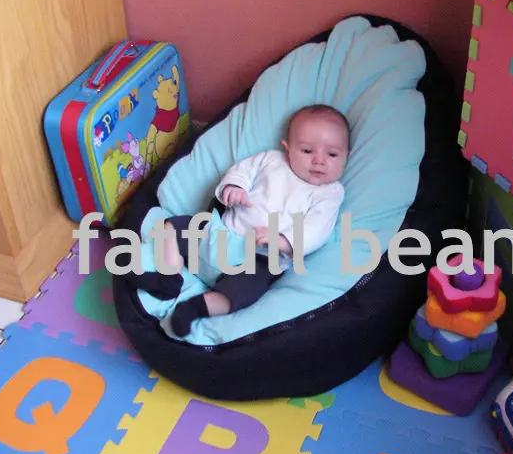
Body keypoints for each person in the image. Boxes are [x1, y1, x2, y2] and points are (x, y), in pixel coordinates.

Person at [130, 104, 350, 337]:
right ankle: (168, 279)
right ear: (287, 149)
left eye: (332, 154)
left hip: (256, 259)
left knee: (245, 291)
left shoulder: (329, 193)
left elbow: (317, 228)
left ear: (347, 156)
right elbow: (241, 171)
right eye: (307, 151)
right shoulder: (270, 160)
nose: (319, 160)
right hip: (217, 233)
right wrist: (234, 188)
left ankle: (197, 307)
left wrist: (284, 241)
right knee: (171, 227)